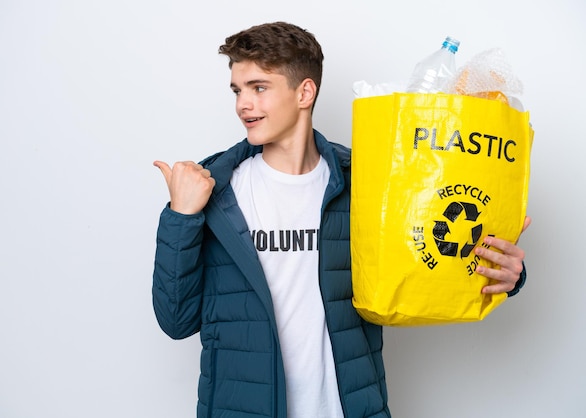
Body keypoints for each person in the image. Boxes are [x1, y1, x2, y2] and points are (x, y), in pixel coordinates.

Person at [152, 21, 530, 418]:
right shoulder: (214, 190)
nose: (242, 104)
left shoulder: (368, 181)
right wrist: (181, 216)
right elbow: (175, 321)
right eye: (237, 90)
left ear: (305, 92)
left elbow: (427, 258)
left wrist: (508, 274)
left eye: (259, 88)